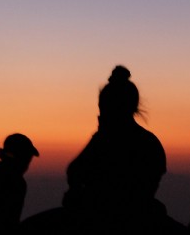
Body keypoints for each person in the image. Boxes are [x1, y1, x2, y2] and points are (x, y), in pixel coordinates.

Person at [63, 66, 167, 221]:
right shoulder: (150, 142)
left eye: (103, 109)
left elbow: (75, 171)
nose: (100, 116)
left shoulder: (105, 140)